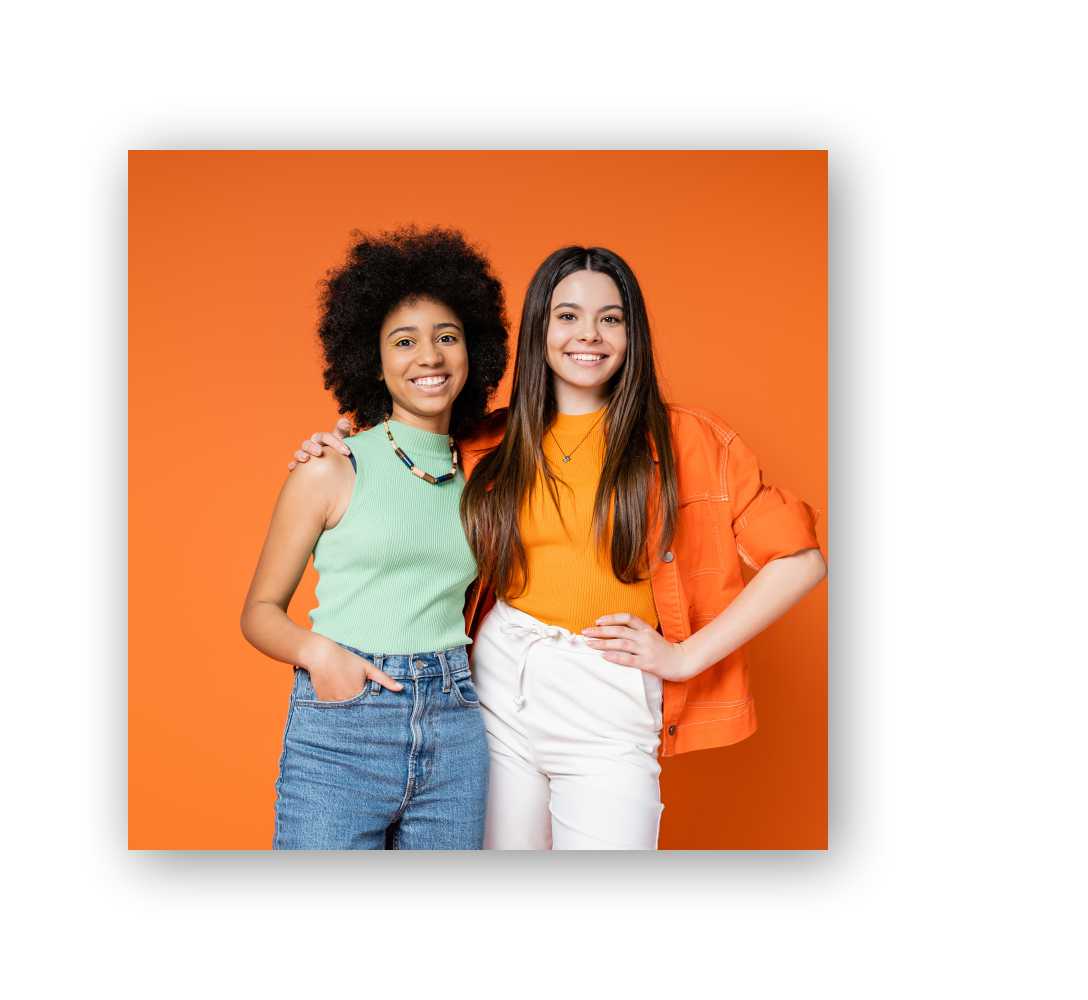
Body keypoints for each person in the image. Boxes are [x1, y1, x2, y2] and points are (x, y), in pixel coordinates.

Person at [292, 245, 826, 850]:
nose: (588, 335)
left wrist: (684, 658)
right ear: (539, 330)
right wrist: (337, 446)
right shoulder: (489, 441)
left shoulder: (689, 438)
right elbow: (401, 456)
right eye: (567, 316)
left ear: (632, 333)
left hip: (608, 690)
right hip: (497, 682)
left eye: (610, 318)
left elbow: (800, 559)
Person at [241, 226, 509, 850]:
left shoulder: (485, 473)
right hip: (344, 730)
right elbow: (259, 612)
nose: (429, 357)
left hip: (456, 727)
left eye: (447, 337)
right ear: (373, 359)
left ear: (473, 349)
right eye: (404, 341)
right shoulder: (331, 467)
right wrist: (322, 657)